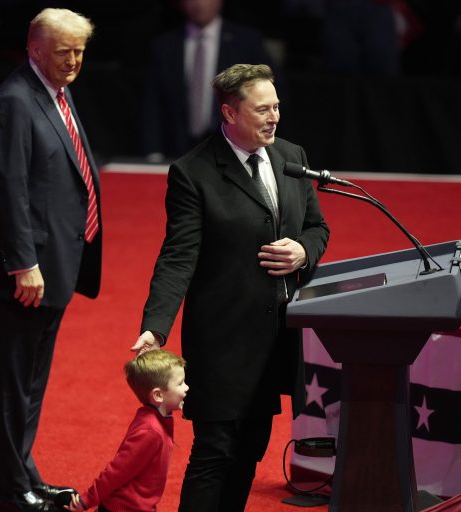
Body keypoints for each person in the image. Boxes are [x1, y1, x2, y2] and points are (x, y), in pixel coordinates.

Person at [131, 63, 330, 511]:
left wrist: (303, 251)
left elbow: (317, 227)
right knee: (215, 452)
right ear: (229, 113)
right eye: (262, 109)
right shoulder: (193, 172)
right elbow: (178, 256)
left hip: (276, 339)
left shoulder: (290, 156)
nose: (274, 117)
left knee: (250, 450)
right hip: (221, 342)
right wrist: (155, 327)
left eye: (276, 106)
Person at [0, 8, 103, 512]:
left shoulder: (55, 91)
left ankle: (22, 475)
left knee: (30, 381)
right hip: (27, 271)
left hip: (54, 262)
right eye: (64, 51)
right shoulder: (13, 103)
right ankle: (6, 492)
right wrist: (23, 264)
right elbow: (7, 191)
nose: (73, 61)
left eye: (80, 51)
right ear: (34, 49)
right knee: (13, 382)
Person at [139, 0, 273, 161]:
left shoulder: (246, 42)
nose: (199, 3)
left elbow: (267, 97)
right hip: (176, 150)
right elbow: (151, 103)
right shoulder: (164, 46)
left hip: (233, 148)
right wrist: (153, 152)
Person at [57, 349, 188, 512]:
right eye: (180, 383)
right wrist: (86, 500)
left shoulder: (155, 418)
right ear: (158, 395)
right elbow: (117, 471)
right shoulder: (150, 431)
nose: (187, 388)